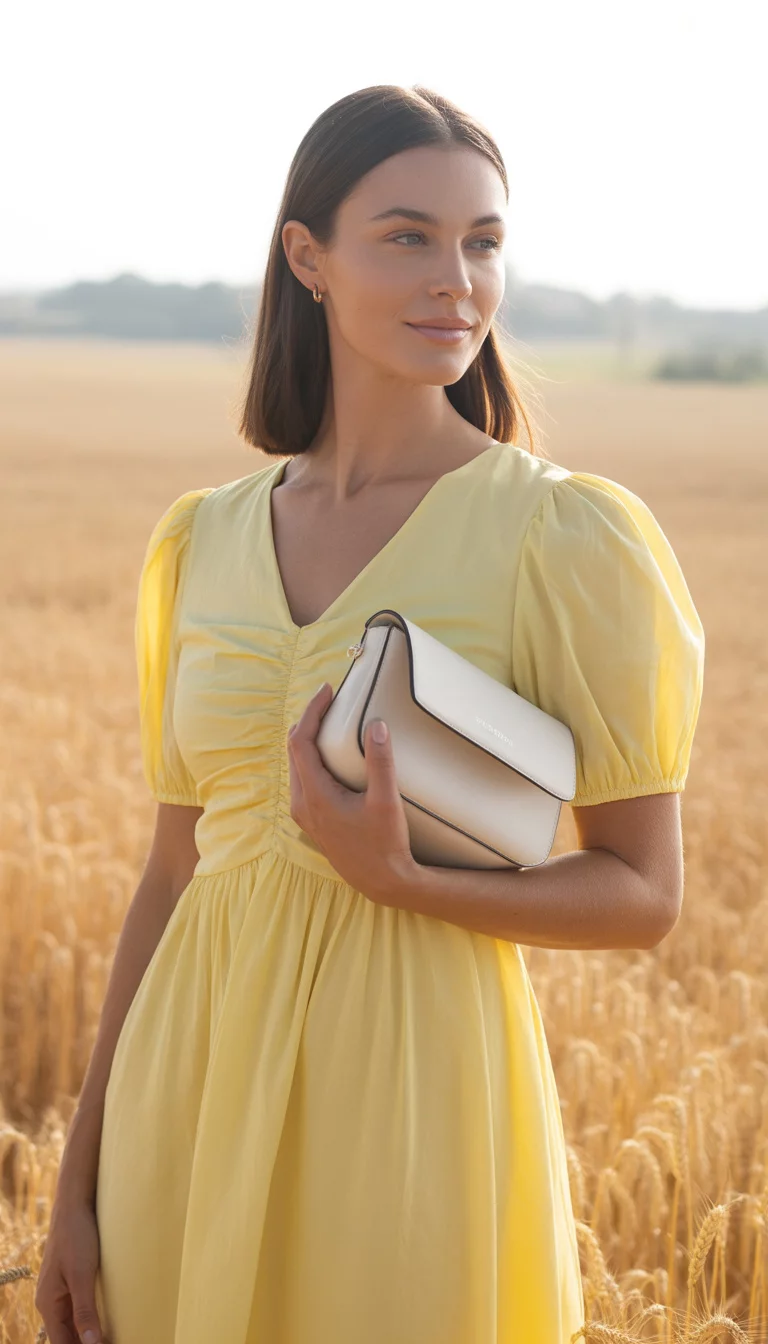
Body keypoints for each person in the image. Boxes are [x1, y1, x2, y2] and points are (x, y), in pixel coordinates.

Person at [36, 84, 705, 1344]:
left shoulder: (561, 533)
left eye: (483, 241)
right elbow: (173, 875)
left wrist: (403, 881)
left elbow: (643, 893)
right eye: (408, 236)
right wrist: (75, 1186)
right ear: (308, 258)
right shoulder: (202, 540)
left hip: (413, 1096)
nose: (456, 278)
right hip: (185, 1088)